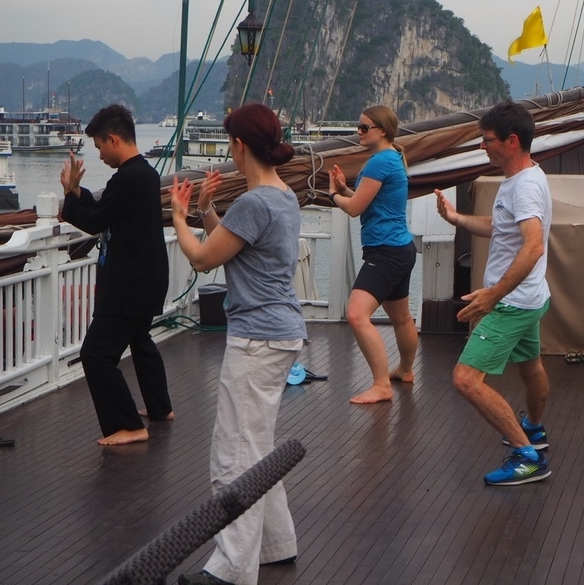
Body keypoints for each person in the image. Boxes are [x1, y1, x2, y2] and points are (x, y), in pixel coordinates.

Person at [172, 103, 306, 585]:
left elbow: (204, 259)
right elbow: (234, 246)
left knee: (233, 457)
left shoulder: (254, 202)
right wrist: (206, 209)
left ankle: (229, 571)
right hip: (281, 331)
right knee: (257, 447)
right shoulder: (282, 195)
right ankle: (275, 544)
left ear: (239, 146)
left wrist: (179, 216)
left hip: (255, 339)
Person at [434, 100, 552, 486]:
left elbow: (532, 246)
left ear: (512, 141)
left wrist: (492, 295)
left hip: (510, 304)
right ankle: (534, 428)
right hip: (531, 298)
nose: (482, 147)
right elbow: (502, 226)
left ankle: (527, 457)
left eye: (487, 140)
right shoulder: (523, 178)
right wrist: (456, 219)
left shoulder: (526, 187)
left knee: (466, 380)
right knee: (531, 366)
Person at [60, 103, 173, 446]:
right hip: (147, 279)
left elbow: (94, 221)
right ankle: (159, 408)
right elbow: (105, 211)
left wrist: (68, 195)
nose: (100, 155)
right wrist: (78, 194)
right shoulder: (145, 174)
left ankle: (127, 426)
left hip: (128, 285)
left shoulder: (126, 178)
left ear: (112, 139)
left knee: (95, 355)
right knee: (140, 340)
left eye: (99, 147)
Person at [328, 105, 419, 404]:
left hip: (386, 252)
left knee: (356, 314)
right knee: (402, 319)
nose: (359, 132)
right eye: (359, 126)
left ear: (382, 130)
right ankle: (405, 370)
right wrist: (345, 188)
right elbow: (367, 202)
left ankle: (381, 385)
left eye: (364, 128)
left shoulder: (379, 162)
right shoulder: (392, 158)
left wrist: (333, 195)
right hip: (401, 249)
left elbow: (354, 210)